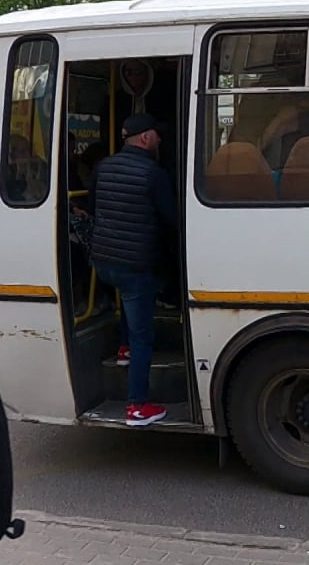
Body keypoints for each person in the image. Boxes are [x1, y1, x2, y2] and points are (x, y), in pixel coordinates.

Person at [89, 114, 178, 427]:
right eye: (157, 135)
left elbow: (94, 206)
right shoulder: (154, 174)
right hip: (135, 266)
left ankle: (123, 348)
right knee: (145, 336)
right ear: (144, 138)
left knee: (128, 302)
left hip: (103, 263)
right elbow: (171, 219)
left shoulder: (103, 167)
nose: (160, 140)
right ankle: (138, 406)